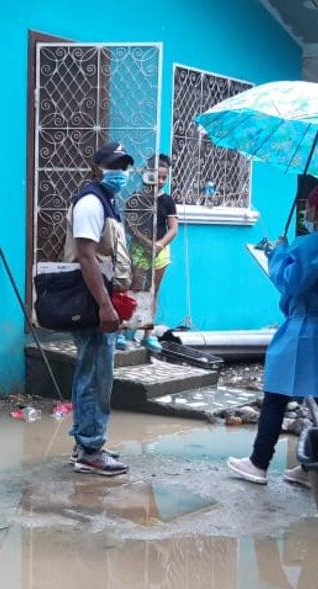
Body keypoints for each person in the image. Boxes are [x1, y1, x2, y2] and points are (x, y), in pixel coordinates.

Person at [228, 184, 318, 486]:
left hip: (305, 329)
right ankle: (315, 468)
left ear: (315, 210)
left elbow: (291, 283)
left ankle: (259, 462)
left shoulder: (311, 245)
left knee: (277, 393)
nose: (306, 211)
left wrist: (277, 254)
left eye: (309, 206)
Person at [64, 141, 135, 476]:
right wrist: (105, 307)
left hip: (103, 302)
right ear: (97, 167)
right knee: (95, 375)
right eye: (114, 165)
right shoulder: (91, 203)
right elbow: (87, 255)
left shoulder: (108, 203)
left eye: (124, 166)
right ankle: (91, 450)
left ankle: (87, 442)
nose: (120, 172)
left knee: (95, 372)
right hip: (93, 304)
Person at [123, 153, 179, 353]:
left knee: (152, 291)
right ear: (146, 174)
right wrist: (146, 243)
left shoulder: (167, 201)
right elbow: (130, 226)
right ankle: (122, 332)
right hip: (139, 249)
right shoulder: (135, 199)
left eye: (164, 177)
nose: (161, 181)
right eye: (157, 177)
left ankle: (147, 334)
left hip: (160, 252)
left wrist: (159, 245)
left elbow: (173, 229)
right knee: (135, 289)